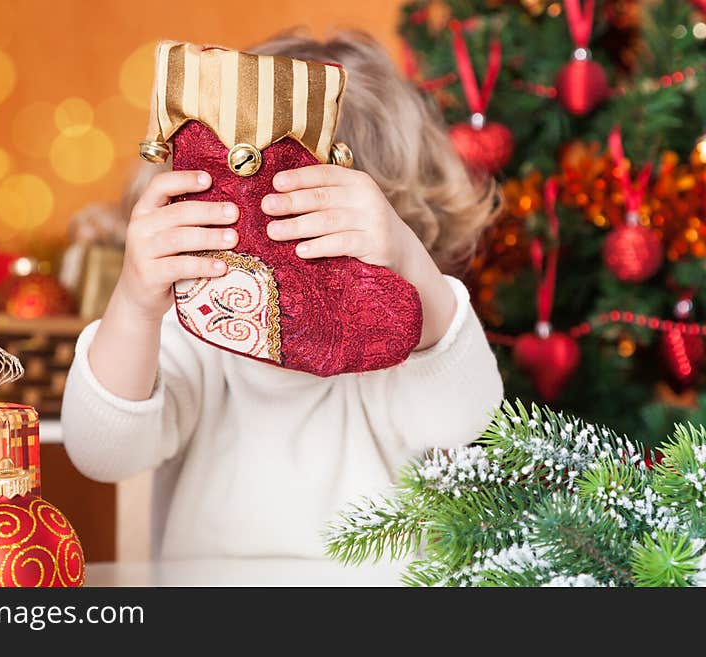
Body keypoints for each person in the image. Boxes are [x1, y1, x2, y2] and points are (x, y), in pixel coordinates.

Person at [61, 31, 504, 562]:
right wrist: (135, 307)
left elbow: (468, 419)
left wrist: (409, 266)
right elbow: (101, 453)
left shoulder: (402, 351)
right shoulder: (197, 329)